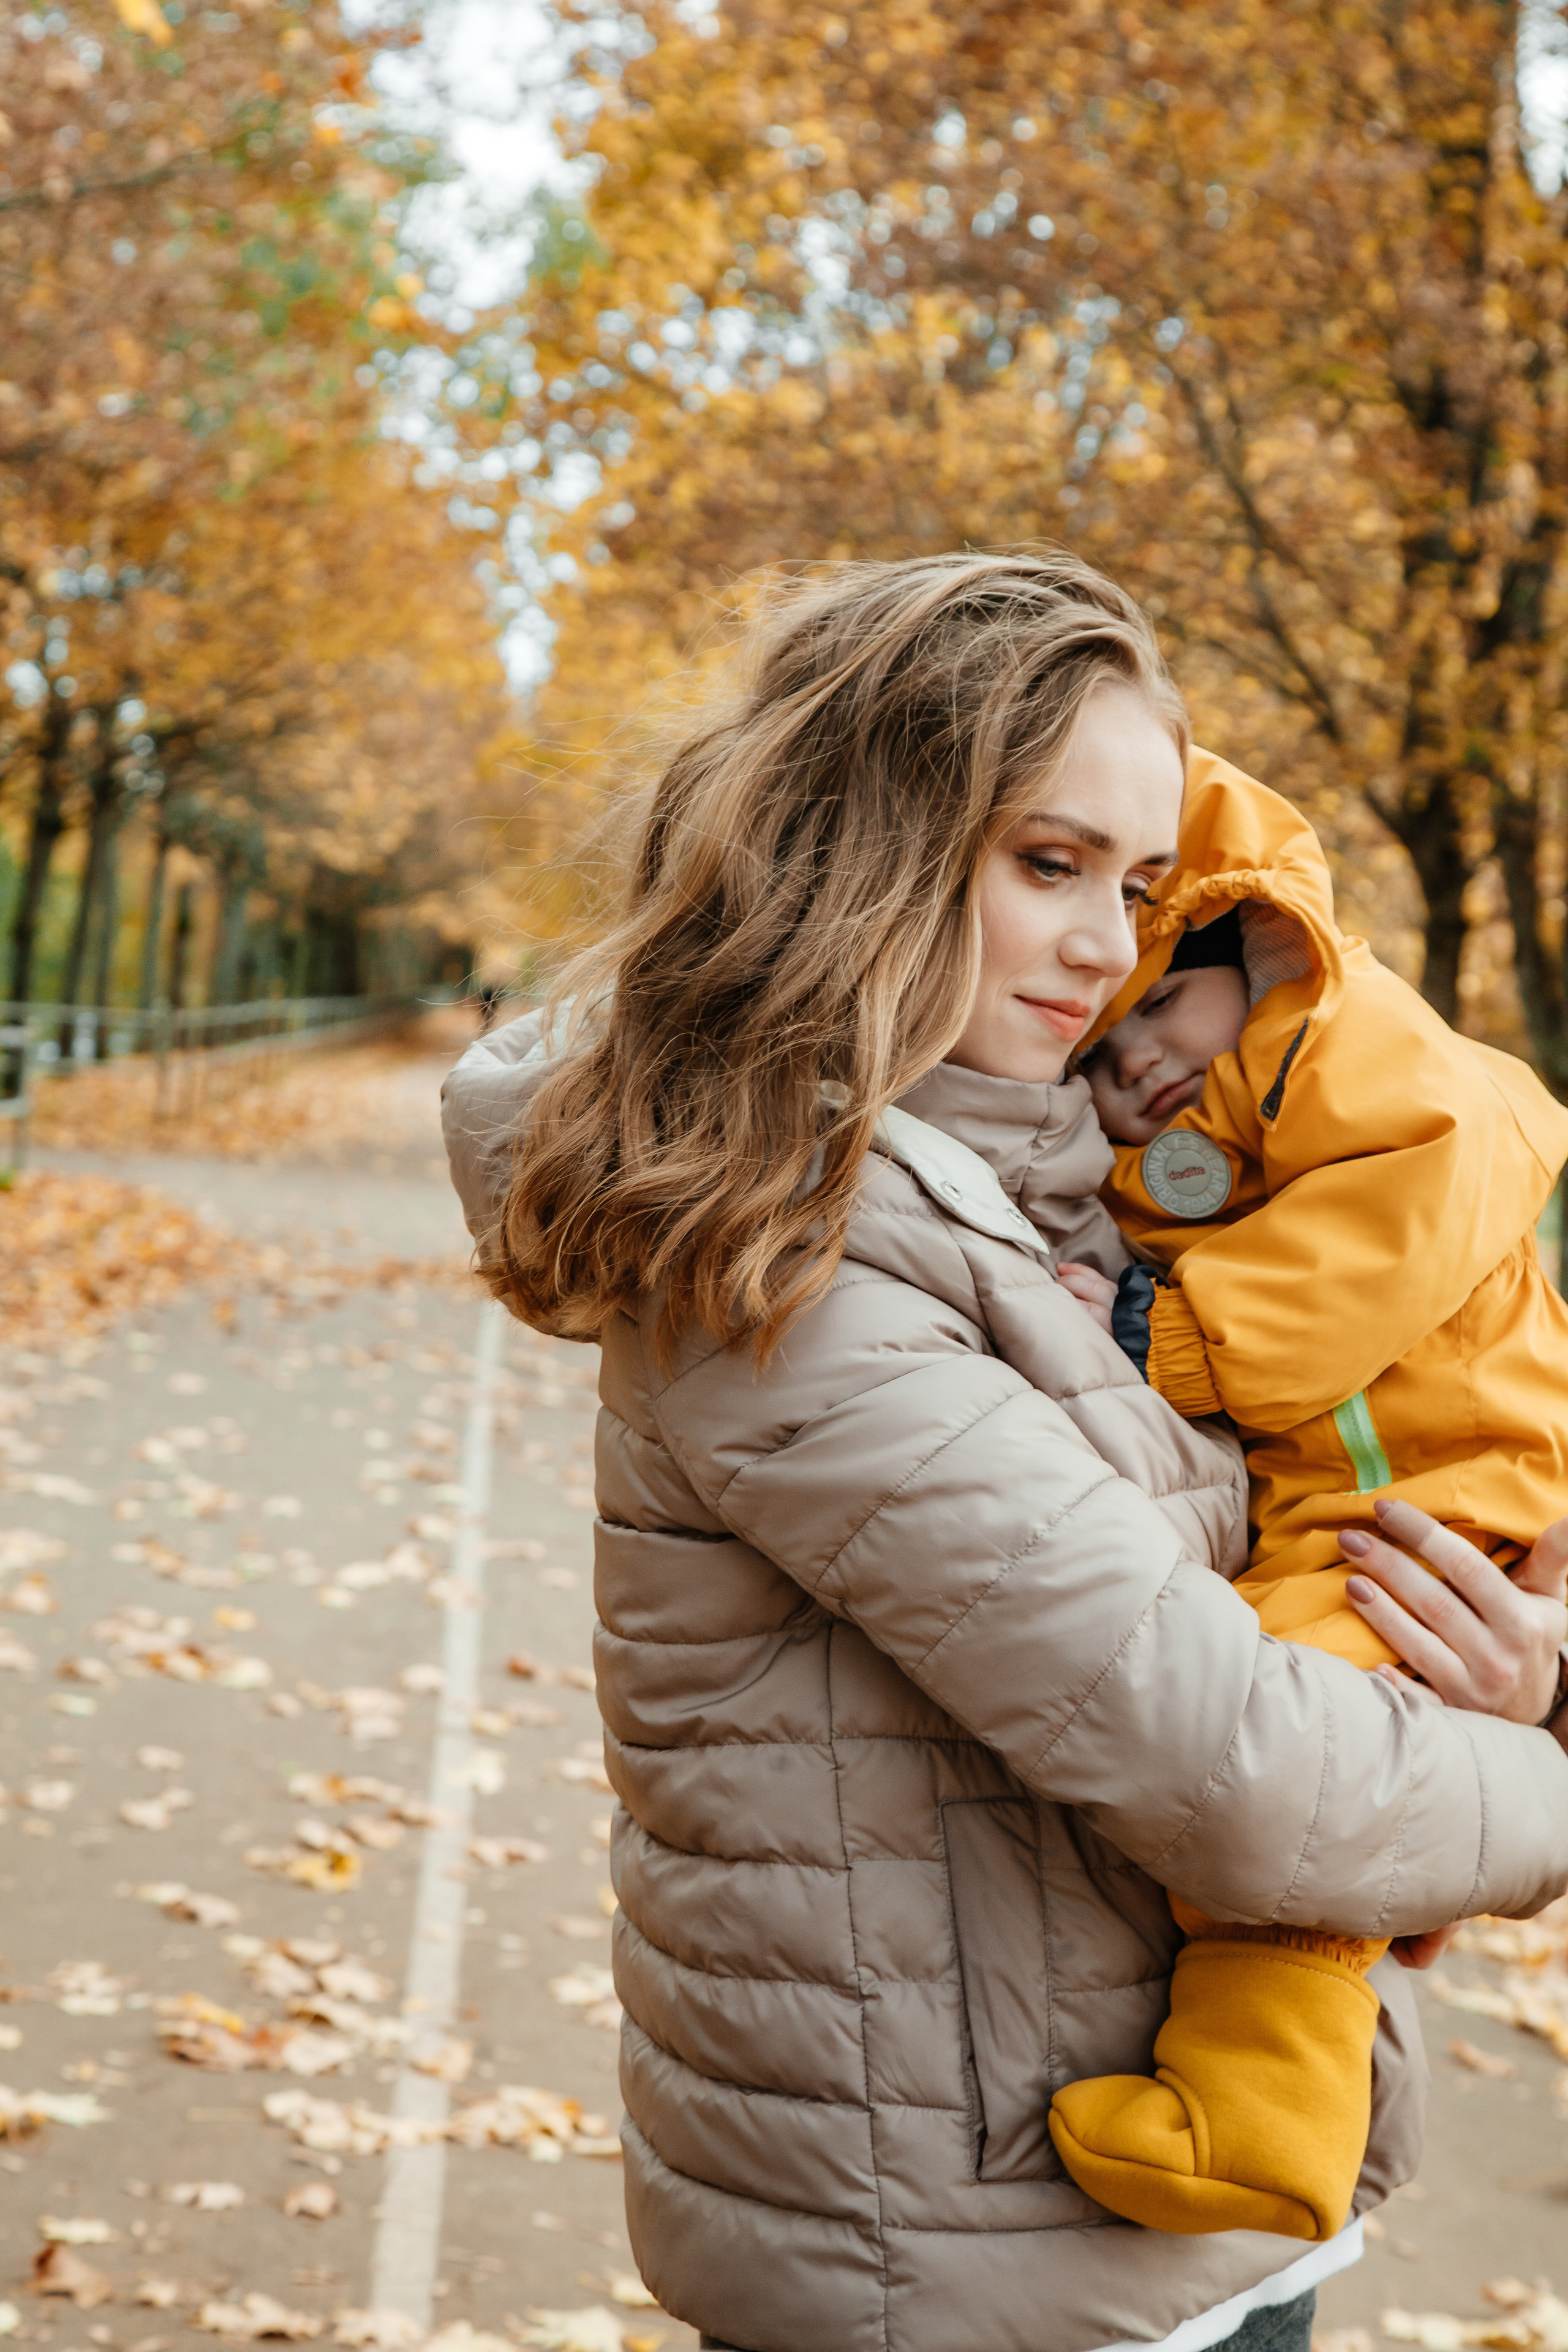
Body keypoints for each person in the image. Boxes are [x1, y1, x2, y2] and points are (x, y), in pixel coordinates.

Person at [442, 554, 1568, 2352]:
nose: (1111, 944)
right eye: (1047, 864)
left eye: (1134, 885)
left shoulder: (1077, 1193)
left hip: (1172, 2211)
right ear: (864, 844)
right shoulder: (784, 1264)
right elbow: (1246, 1766)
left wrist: (1527, 1669)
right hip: (974, 2254)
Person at [1049, 752, 1568, 2244]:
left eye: (1165, 1003)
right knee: (1329, 1766)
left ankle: (1259, 2122)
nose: (1135, 1058)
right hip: (1367, 1495)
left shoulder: (1350, 1049)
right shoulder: (1224, 1129)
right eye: (1097, 1050)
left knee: (1293, 1770)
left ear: (1258, 949)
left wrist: (1167, 1330)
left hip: (1439, 1495)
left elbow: (1437, 1171)